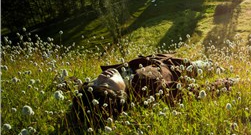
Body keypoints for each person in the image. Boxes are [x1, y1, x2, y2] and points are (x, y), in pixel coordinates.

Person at [70, 54, 236, 126]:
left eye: (95, 81)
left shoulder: (115, 79)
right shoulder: (145, 87)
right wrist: (229, 83)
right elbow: (188, 94)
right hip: (182, 67)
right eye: (105, 84)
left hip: (163, 58)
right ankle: (217, 67)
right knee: (212, 65)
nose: (102, 77)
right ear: (119, 96)